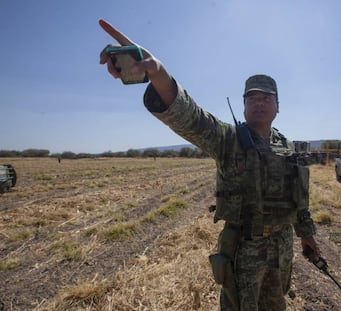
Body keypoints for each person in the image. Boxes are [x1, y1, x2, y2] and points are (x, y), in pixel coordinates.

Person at [99, 19, 320, 311]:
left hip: (281, 249)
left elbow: (299, 199)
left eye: (267, 98)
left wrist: (307, 236)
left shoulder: (287, 148)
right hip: (244, 251)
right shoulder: (228, 139)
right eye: (252, 98)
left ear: (278, 107)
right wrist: (158, 73)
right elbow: (189, 115)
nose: (259, 103)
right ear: (243, 106)